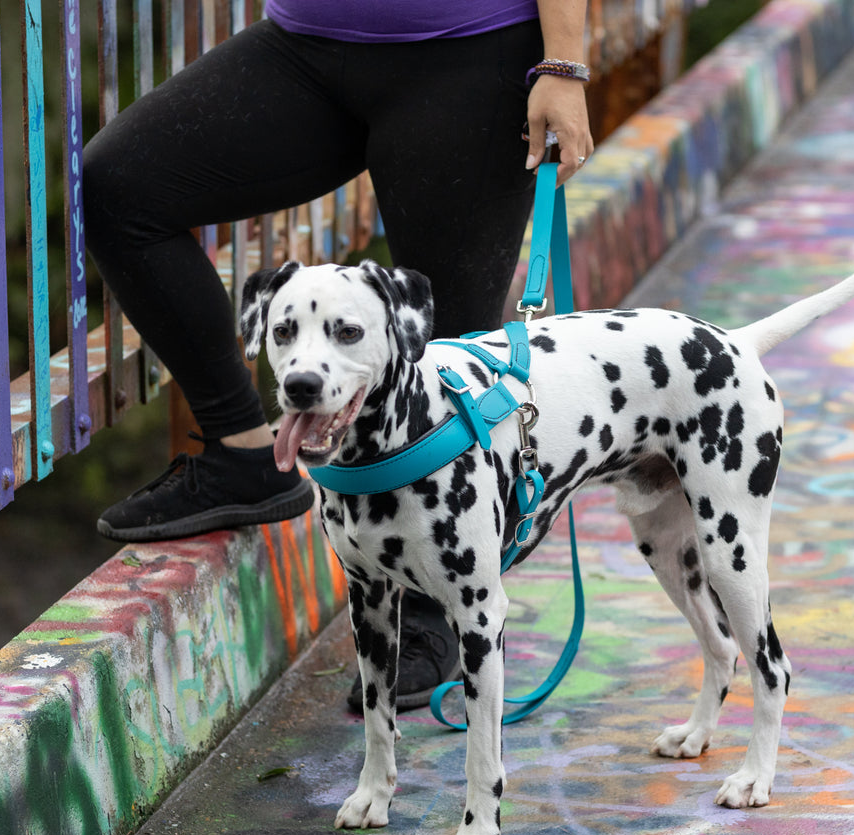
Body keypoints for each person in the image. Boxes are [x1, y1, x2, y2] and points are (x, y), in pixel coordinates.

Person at [83, 1, 595, 712]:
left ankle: (427, 613)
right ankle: (242, 454)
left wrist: (562, 64)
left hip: (467, 54)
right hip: (304, 47)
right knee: (118, 182)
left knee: (442, 351)